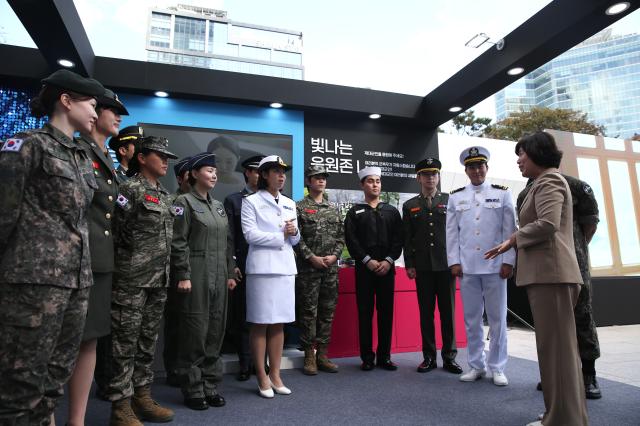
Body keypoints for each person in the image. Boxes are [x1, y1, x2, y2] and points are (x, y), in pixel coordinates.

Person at [0, 69, 104, 425]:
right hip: (32, 284)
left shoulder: (80, 155)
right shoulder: (27, 145)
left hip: (76, 283)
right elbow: (3, 213)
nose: (95, 112)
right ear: (66, 100)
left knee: (54, 379)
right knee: (20, 384)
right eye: (91, 104)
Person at [486, 131, 588, 426]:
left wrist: (513, 239)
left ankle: (562, 419)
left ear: (538, 155)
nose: (519, 161)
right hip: (547, 275)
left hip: (552, 275)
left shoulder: (550, 181)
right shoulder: (541, 183)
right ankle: (561, 415)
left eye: (523, 154)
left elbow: (548, 224)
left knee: (558, 353)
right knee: (554, 350)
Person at [106, 136, 178, 426]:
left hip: (159, 280)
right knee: (124, 343)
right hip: (131, 280)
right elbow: (117, 232)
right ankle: (120, 407)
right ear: (142, 157)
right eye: (159, 155)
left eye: (167, 156)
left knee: (147, 342)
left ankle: (142, 397)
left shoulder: (165, 195)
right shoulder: (129, 189)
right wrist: (133, 264)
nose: (165, 161)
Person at [69, 89, 128, 425]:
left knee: (90, 341)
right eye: (110, 110)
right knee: (64, 343)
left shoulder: (108, 161)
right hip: (75, 260)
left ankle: (76, 419)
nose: (117, 117)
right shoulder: (77, 151)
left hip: (102, 261)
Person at [517, 174, 602, 400]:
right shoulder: (525, 193)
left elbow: (590, 223)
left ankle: (589, 375)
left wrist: (575, 248)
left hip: (574, 261)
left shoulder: (572, 184)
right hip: (544, 265)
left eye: (523, 154)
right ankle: (555, 375)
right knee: (551, 324)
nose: (519, 161)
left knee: (582, 316)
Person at [170, 152, 237, 410]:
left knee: (215, 331)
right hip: (196, 273)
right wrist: (183, 275)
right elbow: (178, 242)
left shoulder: (218, 206)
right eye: (208, 170)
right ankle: (193, 388)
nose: (214, 174)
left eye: (215, 171)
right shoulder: (183, 203)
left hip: (219, 275)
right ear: (194, 174)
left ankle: (210, 385)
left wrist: (230, 273)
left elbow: (227, 242)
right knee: (195, 332)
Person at [446, 146, 516, 386]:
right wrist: (454, 262)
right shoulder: (456, 197)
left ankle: (498, 367)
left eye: (480, 166)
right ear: (465, 170)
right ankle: (476, 365)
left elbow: (510, 232)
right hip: (467, 268)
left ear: (487, 167)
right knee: (471, 320)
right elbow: (452, 234)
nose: (476, 170)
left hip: (496, 267)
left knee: (498, 319)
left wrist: (509, 261)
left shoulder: (502, 194)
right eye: (472, 167)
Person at [241, 155, 299, 398]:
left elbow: (295, 239)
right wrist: (280, 236)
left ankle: (275, 374)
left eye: (283, 171)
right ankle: (261, 375)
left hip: (285, 267)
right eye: (276, 171)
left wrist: (293, 232)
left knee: (279, 323)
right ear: (264, 175)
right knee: (260, 322)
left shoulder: (289, 203)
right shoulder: (251, 201)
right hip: (262, 269)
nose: (281, 175)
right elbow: (250, 235)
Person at [402, 158, 463, 375]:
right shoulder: (409, 205)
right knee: (426, 314)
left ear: (438, 177)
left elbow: (458, 234)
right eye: (426, 174)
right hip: (423, 268)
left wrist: (457, 261)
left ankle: (449, 357)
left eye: (434, 174)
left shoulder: (450, 200)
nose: (430, 178)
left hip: (446, 267)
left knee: (448, 314)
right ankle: (428, 357)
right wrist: (409, 264)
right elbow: (407, 238)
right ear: (418, 178)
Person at [344, 167, 403, 371]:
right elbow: (351, 241)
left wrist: (388, 260)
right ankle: (367, 357)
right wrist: (367, 260)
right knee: (365, 313)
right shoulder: (355, 212)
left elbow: (398, 240)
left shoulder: (391, 211)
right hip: (364, 271)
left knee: (386, 313)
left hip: (387, 270)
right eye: (370, 181)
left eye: (378, 181)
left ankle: (384, 356)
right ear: (362, 185)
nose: (375, 184)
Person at [295, 165, 345, 375]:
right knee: (308, 312)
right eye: (316, 177)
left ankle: (322, 355)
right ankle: (309, 355)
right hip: (309, 270)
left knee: (327, 312)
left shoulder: (333, 208)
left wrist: (334, 256)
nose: (321, 181)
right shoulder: (299, 207)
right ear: (308, 181)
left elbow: (341, 237)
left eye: (323, 177)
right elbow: (296, 239)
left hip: (330, 270)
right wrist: (311, 257)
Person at [224, 154, 265, 381]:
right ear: (248, 172)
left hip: (267, 267)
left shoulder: (276, 200)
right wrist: (232, 264)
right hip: (243, 265)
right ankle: (245, 362)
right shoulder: (234, 200)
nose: (260, 176)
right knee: (243, 316)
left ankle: (264, 363)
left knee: (266, 317)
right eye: (257, 171)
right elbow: (228, 236)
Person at [163, 154, 192, 387]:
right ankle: (175, 369)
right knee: (177, 323)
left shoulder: (207, 203)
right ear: (183, 177)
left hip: (201, 271)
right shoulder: (174, 202)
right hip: (176, 271)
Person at [207, 135, 245, 199]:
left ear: (238, 160)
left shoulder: (244, 187)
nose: (223, 167)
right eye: (217, 161)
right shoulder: (198, 183)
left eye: (229, 162)